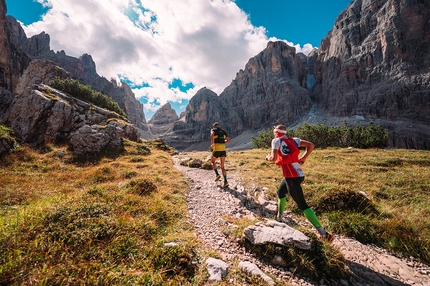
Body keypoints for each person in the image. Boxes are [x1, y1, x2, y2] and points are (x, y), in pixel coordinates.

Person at [265, 124, 334, 242]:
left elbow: (273, 157)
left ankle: (324, 234)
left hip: (292, 177)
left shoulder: (276, 141)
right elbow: (311, 145)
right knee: (280, 192)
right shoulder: (295, 140)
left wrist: (267, 157)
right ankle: (279, 217)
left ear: (276, 132)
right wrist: (303, 158)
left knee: (302, 205)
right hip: (298, 175)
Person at [210, 122, 230, 188]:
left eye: (213, 126)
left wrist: (213, 144)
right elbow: (228, 140)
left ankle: (217, 174)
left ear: (215, 126)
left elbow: (212, 135)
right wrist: (223, 142)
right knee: (222, 166)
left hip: (217, 149)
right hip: (223, 149)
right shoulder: (223, 131)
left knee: (212, 161)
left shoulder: (213, 130)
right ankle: (225, 182)